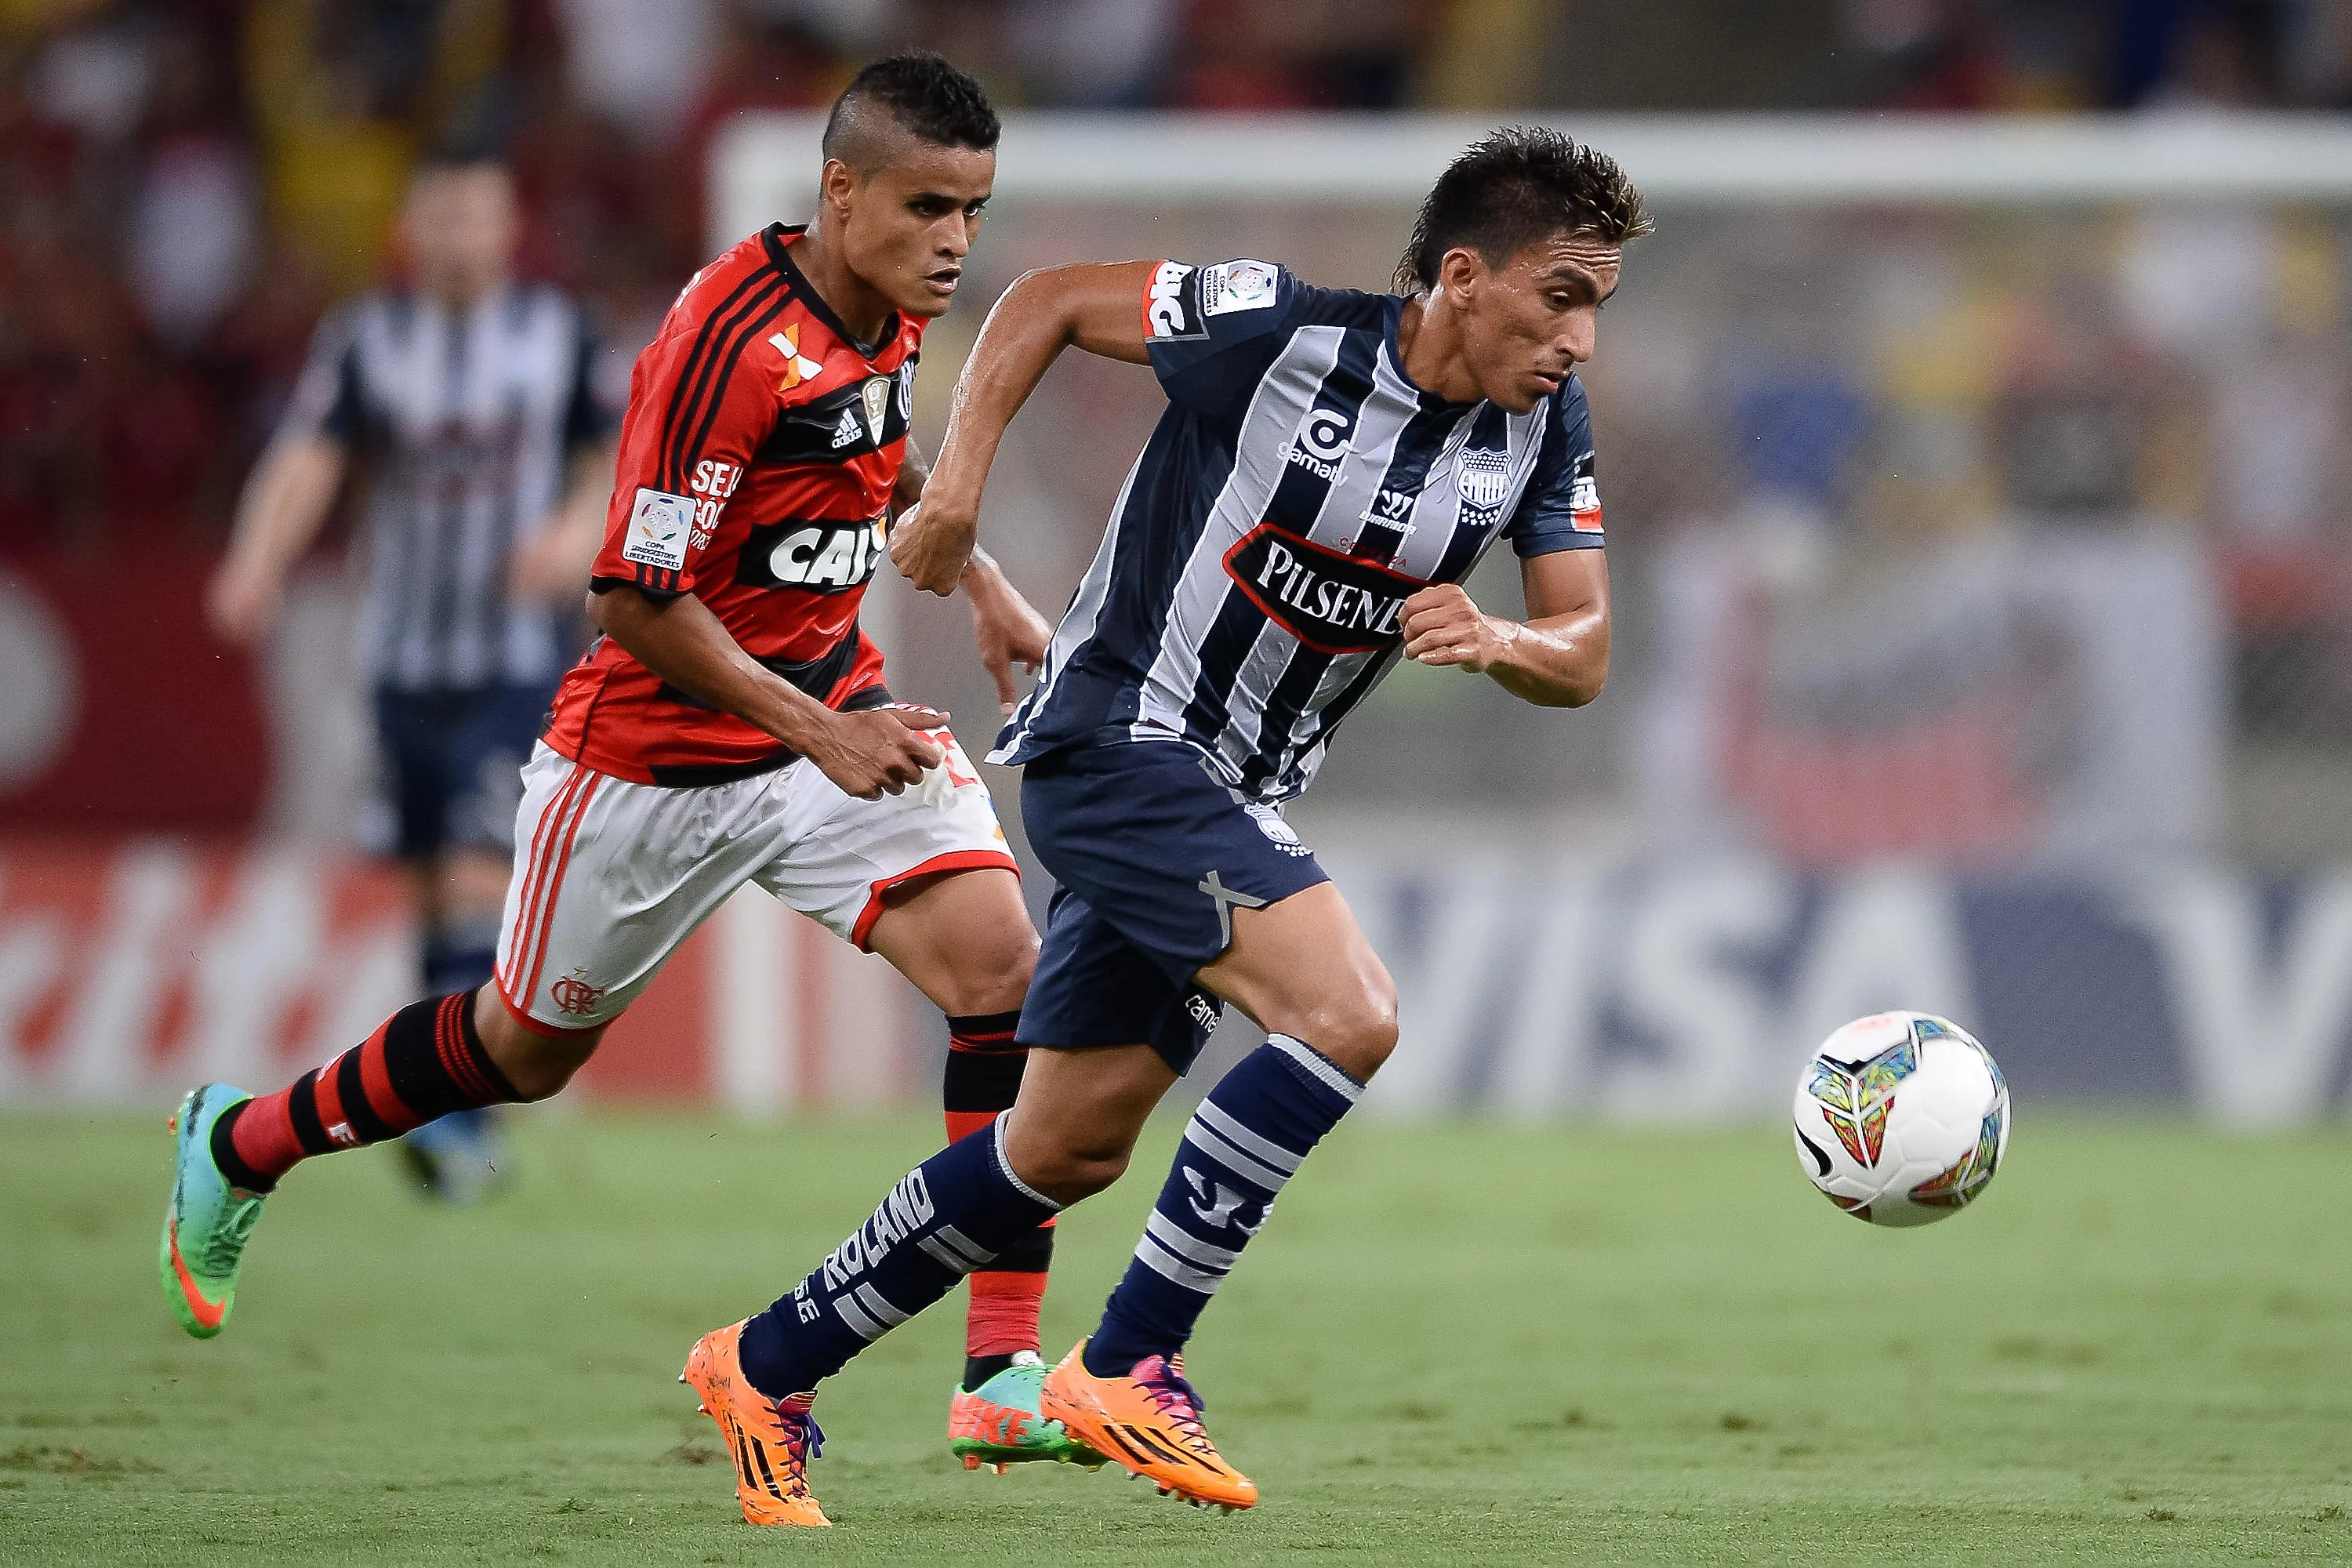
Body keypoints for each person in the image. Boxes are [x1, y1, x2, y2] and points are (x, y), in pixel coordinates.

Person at [159, 55, 1088, 1521]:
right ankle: (240, 1140)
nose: (956, 242)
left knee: (1006, 972)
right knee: (522, 1053)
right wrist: (816, 731)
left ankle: (1000, 1375)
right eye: (928, 208)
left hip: (831, 712)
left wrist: (981, 581)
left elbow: (875, 454)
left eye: (974, 209)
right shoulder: (724, 338)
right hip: (647, 761)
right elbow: (632, 598)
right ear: (840, 190)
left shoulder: (894, 304)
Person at [705, 126, 1650, 1522]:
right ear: (1463, 276)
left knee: (1059, 1151)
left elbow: (1586, 651)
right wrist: (954, 492)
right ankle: (1133, 1360)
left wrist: (1503, 637)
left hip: (1232, 798)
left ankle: (764, 1363)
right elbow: (1043, 303)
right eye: (1562, 296)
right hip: (1119, 743)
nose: (1581, 337)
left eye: (1599, 307)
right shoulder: (1278, 332)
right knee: (1350, 1014)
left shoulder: (1536, 433)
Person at [206, 151, 617, 1202]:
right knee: (435, 889)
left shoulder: (556, 336)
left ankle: (456, 1125)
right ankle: (446, 1113)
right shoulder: (367, 340)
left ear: (507, 223)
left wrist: (572, 532)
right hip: (398, 661)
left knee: (484, 872)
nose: (456, 236)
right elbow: (312, 457)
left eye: (476, 216)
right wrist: (257, 557)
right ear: (413, 227)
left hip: (514, 661)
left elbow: (610, 453)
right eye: (439, 216)